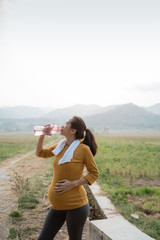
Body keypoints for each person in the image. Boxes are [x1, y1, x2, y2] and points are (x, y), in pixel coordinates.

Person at [36, 116, 99, 240]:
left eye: (66, 123)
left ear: (73, 130)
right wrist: (43, 134)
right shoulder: (60, 146)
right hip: (57, 206)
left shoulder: (84, 150)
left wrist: (73, 184)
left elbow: (94, 173)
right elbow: (40, 153)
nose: (62, 125)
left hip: (76, 206)